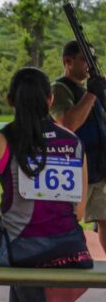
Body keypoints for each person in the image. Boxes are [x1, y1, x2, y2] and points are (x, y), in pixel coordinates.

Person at [0, 67, 93, 302]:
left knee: (10, 248)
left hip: (20, 248)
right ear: (50, 99)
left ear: (10, 100)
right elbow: (78, 213)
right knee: (32, 248)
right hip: (73, 250)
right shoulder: (73, 143)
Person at [50, 41, 106, 255]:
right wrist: (92, 93)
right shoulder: (59, 89)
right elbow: (67, 124)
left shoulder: (92, 91)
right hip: (74, 169)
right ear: (68, 61)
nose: (90, 65)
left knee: (104, 218)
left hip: (99, 168)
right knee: (68, 218)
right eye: (84, 59)